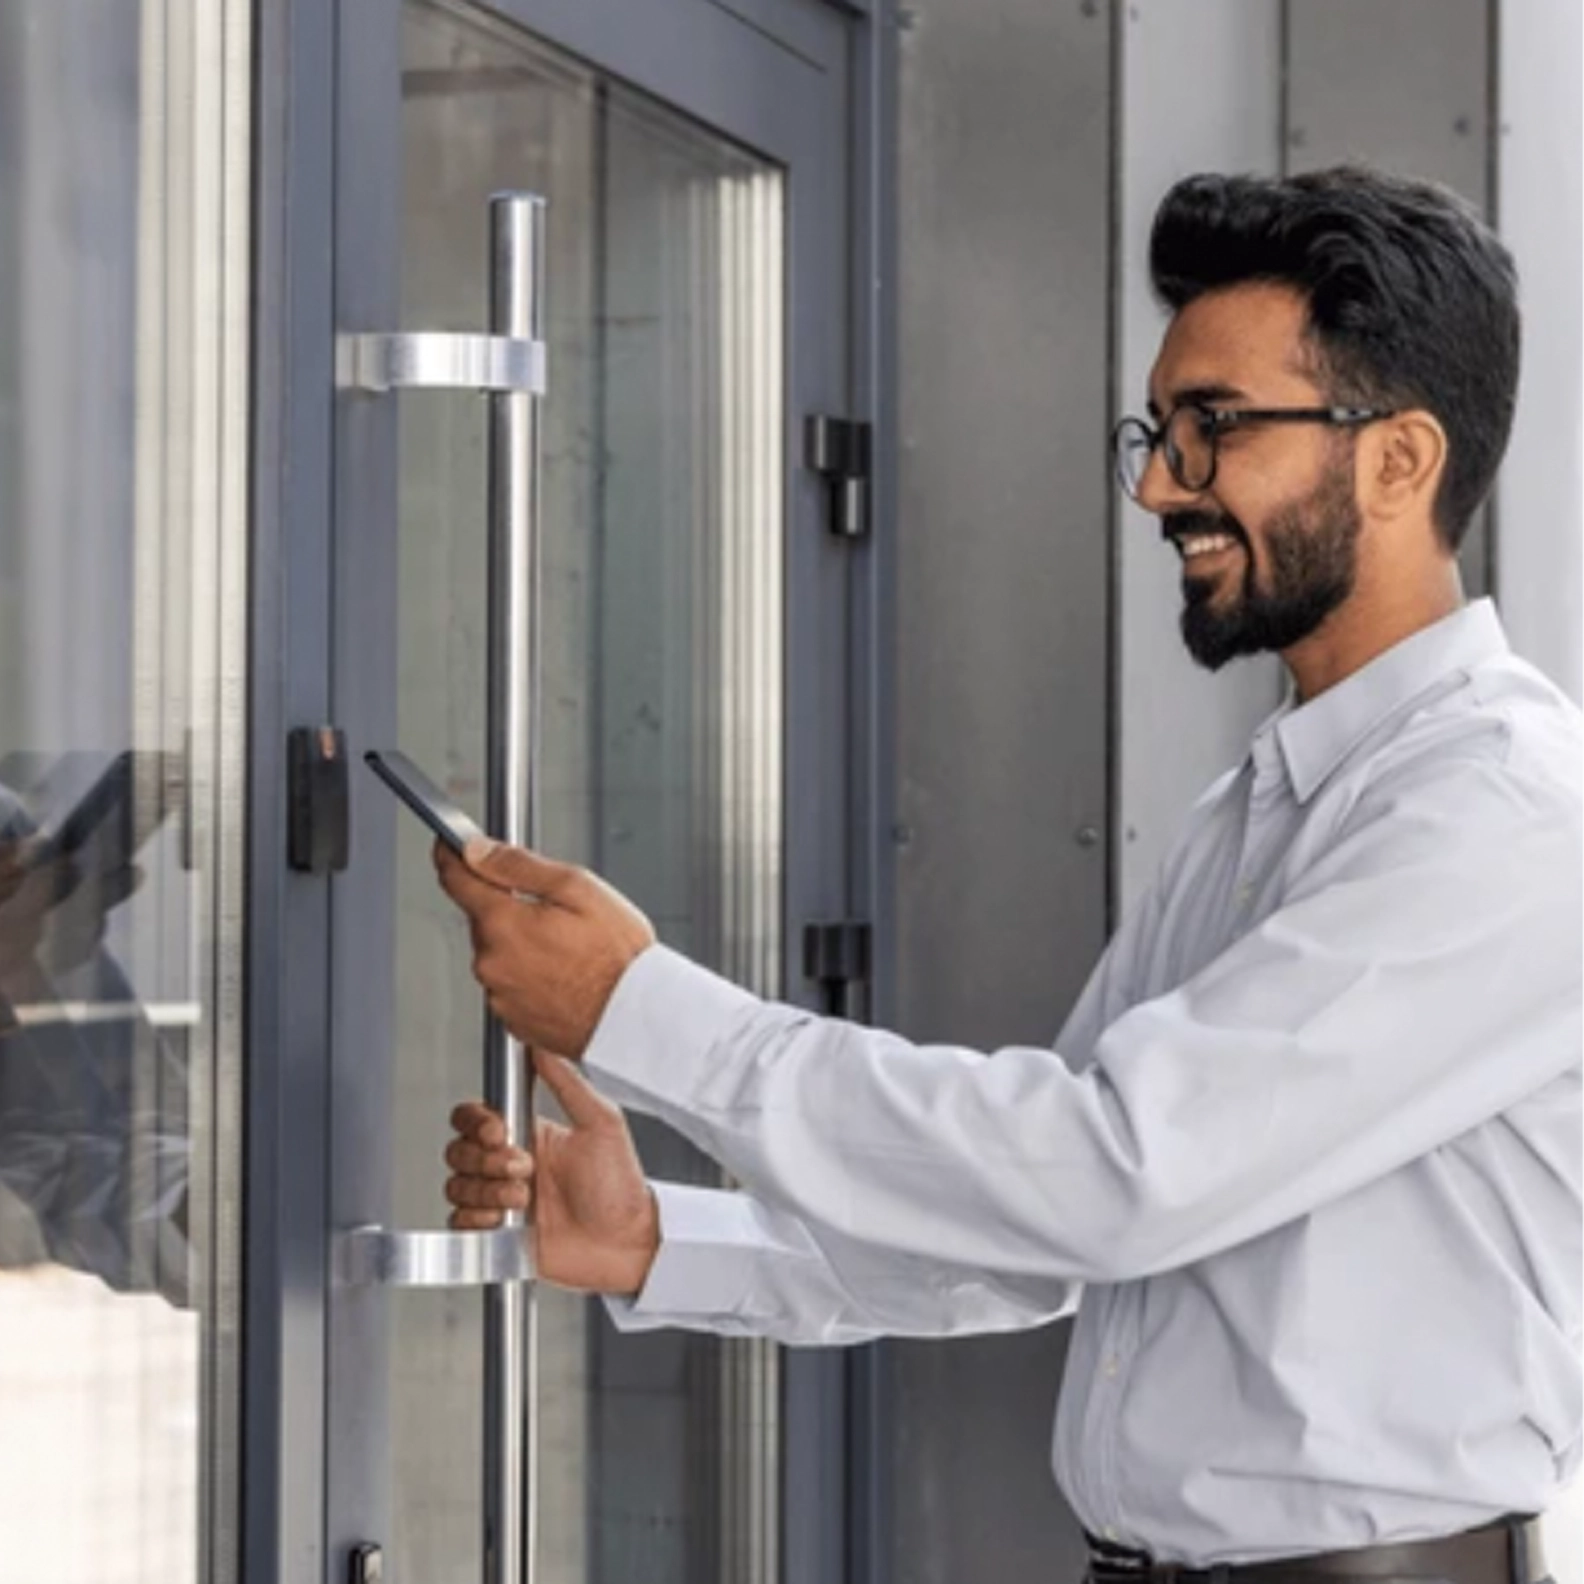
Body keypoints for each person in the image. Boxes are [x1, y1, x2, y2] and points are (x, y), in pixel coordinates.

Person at [435, 167, 1584, 1584]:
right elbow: (1045, 1230)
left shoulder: (1506, 814)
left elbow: (1112, 1175)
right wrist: (664, 1240)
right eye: (1156, 432)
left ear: (1399, 461)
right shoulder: (1267, 806)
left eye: (1214, 428)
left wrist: (641, 1010)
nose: (1162, 483)